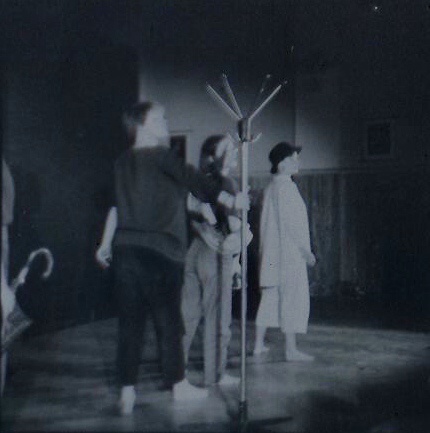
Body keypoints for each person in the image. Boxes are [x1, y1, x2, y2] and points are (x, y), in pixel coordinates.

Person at [95, 102, 248, 414]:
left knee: (130, 325)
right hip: (161, 253)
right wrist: (233, 200)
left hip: (126, 252)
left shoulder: (121, 162)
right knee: (169, 323)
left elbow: (114, 207)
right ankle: (178, 385)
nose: (166, 121)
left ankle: (127, 392)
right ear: (142, 125)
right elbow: (197, 181)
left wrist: (104, 243)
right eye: (160, 118)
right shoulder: (163, 156)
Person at [181, 135, 251, 387]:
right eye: (229, 150)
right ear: (215, 156)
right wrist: (246, 234)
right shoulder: (227, 184)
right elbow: (233, 228)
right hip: (216, 254)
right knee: (218, 318)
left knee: (187, 317)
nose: (235, 154)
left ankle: (175, 374)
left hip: (193, 252)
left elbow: (194, 219)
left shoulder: (198, 183)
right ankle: (216, 375)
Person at [254, 142, 316, 362]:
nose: (297, 162)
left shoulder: (271, 187)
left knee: (270, 297)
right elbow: (293, 225)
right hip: (288, 253)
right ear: (281, 164)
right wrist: (306, 251)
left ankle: (258, 345)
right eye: (292, 159)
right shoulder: (287, 188)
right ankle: (291, 350)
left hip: (271, 254)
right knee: (292, 298)